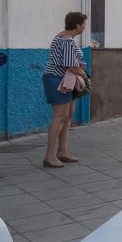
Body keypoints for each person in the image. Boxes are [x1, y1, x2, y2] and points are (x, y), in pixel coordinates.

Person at [42, 11, 89, 169]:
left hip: (63, 79)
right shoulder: (67, 41)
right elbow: (71, 65)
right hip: (58, 80)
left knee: (67, 115)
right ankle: (50, 156)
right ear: (77, 25)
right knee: (59, 117)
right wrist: (84, 75)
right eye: (83, 24)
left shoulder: (61, 37)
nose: (84, 27)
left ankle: (63, 151)